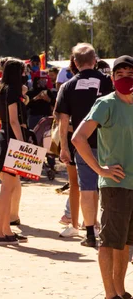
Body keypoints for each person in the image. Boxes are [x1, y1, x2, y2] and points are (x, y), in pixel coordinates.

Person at [72, 55, 133, 299]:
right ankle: (110, 294)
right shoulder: (106, 104)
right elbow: (78, 138)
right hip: (115, 184)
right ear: (112, 78)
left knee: (125, 242)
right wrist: (100, 170)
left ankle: (120, 290)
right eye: (118, 74)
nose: (124, 78)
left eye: (129, 74)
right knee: (110, 241)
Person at [56, 43, 113, 245]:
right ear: (94, 60)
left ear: (75, 62)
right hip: (109, 143)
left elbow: (63, 120)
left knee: (87, 187)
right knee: (110, 185)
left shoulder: (68, 86)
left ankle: (90, 233)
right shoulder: (107, 81)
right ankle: (106, 229)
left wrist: (63, 147)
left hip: (82, 144)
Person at [0, 58, 28, 245]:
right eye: (23, 71)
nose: (25, 74)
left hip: (3, 138)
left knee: (8, 188)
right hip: (11, 140)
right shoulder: (12, 91)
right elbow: (14, 120)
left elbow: (6, 118)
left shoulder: (0, 89)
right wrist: (23, 145)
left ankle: (4, 229)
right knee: (7, 189)